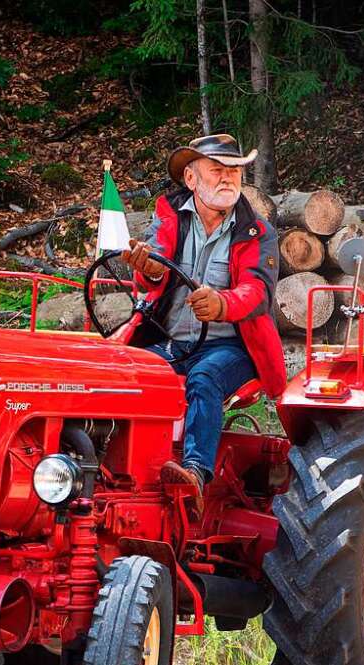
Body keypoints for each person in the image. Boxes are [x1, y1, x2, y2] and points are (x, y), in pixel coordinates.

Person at [120, 134, 286, 510]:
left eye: (234, 171)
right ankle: (122, 470)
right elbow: (155, 268)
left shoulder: (258, 232)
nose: (228, 178)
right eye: (218, 170)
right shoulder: (169, 215)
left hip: (233, 346)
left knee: (205, 377)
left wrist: (221, 304)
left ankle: (194, 472)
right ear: (191, 179)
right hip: (174, 340)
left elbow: (257, 292)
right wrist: (147, 268)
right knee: (130, 372)